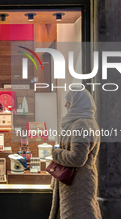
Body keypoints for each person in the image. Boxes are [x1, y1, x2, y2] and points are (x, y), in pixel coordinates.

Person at [49, 89, 102, 219]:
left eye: (68, 102)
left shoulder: (81, 125)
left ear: (76, 103)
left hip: (77, 184)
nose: (65, 105)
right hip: (77, 182)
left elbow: (78, 158)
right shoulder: (84, 122)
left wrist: (56, 153)